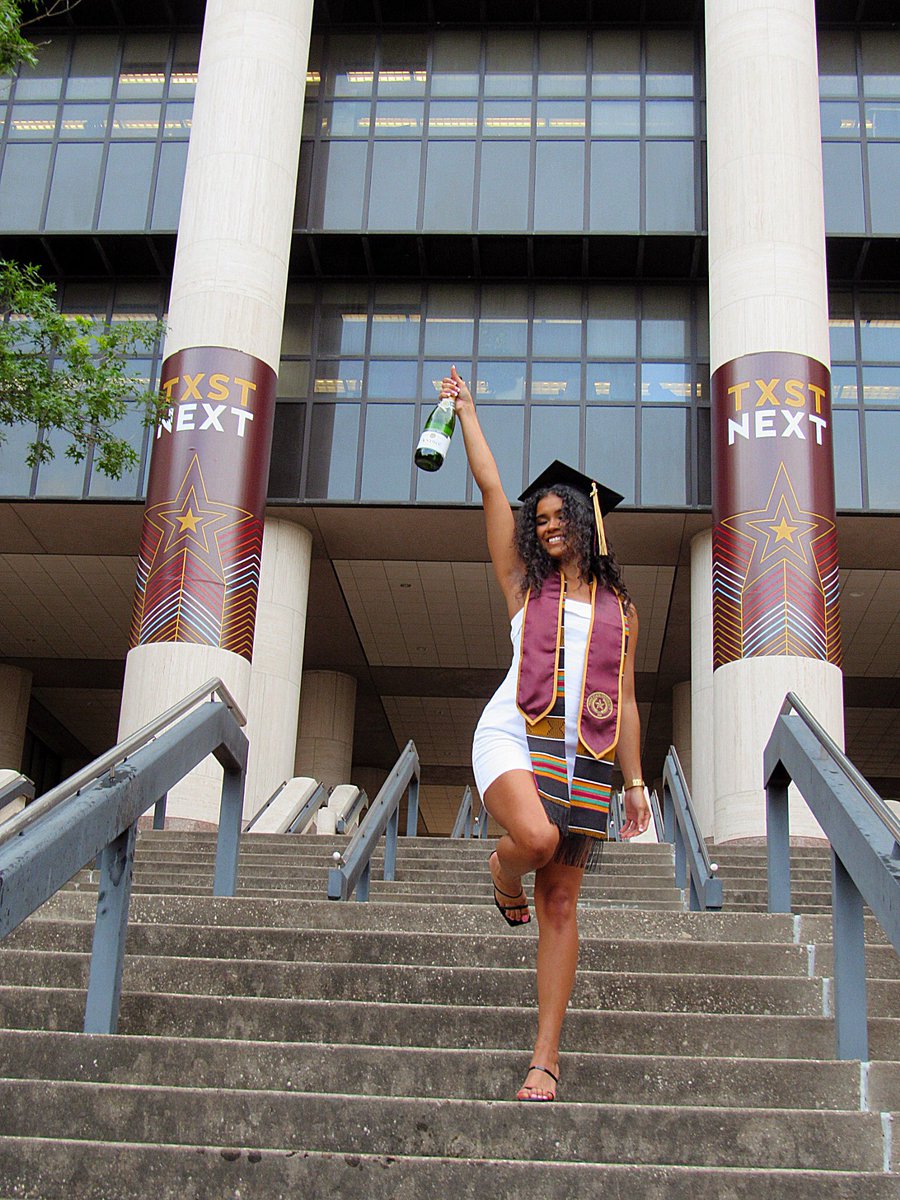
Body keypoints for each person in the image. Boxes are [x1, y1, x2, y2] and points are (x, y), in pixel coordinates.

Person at [441, 364, 650, 1103]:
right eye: (543, 521)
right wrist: (467, 412)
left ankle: (545, 1055)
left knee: (561, 903)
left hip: (586, 756)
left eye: (561, 518)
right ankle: (500, 875)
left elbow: (622, 695)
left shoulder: (620, 609)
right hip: (512, 732)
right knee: (532, 843)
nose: (549, 527)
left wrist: (633, 780)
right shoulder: (524, 588)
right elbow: (495, 490)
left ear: (588, 522)